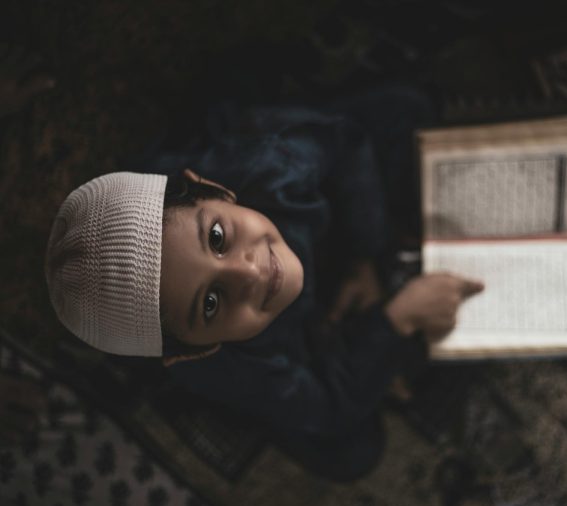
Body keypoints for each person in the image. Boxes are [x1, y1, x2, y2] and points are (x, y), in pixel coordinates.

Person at [44, 86, 484, 481]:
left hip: (309, 216)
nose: (252, 274)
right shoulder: (224, 365)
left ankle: (356, 297)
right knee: (352, 452)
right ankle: (336, 338)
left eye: (217, 239)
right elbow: (325, 409)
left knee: (403, 108)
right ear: (200, 348)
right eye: (212, 304)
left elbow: (344, 141)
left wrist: (365, 255)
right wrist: (394, 320)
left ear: (214, 189)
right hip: (284, 322)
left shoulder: (268, 167)